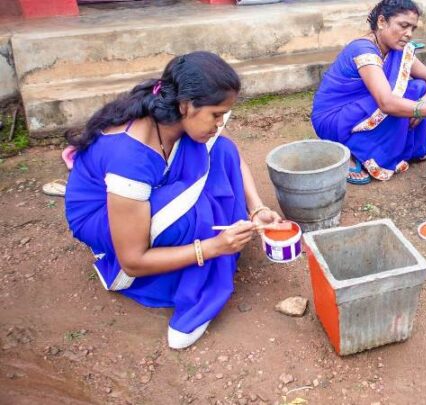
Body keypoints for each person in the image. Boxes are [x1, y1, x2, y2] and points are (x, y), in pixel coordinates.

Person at [64, 51, 282, 349]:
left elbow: (227, 152)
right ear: (185, 106)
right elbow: (133, 261)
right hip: (102, 217)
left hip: (136, 197)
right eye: (216, 114)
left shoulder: (174, 116)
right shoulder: (131, 159)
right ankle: (196, 288)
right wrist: (213, 247)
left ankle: (210, 245)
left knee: (222, 150)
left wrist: (257, 208)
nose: (220, 123)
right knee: (194, 215)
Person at [311, 0, 426, 184]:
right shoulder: (363, 50)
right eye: (403, 26)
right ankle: (352, 149)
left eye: (412, 28)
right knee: (392, 99)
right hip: (334, 118)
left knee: (418, 88)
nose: (408, 34)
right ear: (382, 22)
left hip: (362, 109)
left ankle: (398, 148)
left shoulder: (398, 50)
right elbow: (387, 103)